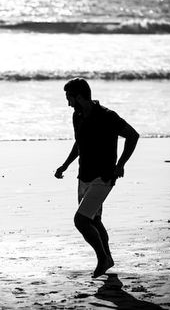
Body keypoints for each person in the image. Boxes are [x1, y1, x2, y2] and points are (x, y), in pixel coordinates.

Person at [55, 78, 139, 278]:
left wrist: (121, 165)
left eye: (69, 98)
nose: (68, 103)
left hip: (104, 176)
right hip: (83, 175)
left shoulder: (107, 116)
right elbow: (79, 143)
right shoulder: (78, 115)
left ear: (79, 96)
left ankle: (103, 259)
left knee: (81, 220)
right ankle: (107, 259)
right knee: (95, 220)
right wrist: (65, 165)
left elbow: (133, 136)